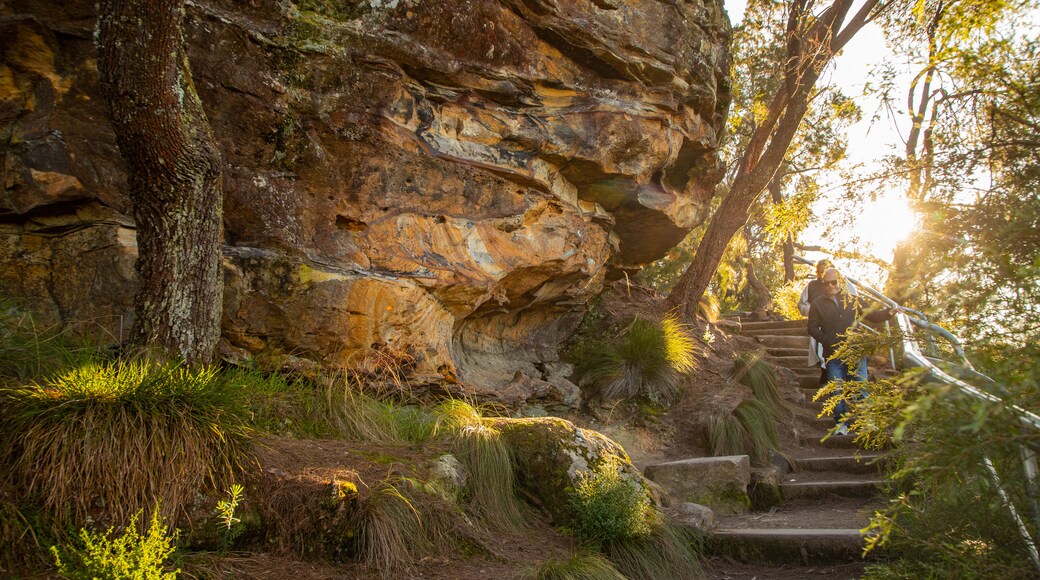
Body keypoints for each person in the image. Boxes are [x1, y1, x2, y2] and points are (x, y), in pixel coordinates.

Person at [807, 268, 897, 434]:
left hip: (855, 352)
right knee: (836, 390)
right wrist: (826, 339)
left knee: (861, 388)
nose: (830, 286)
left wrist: (889, 313)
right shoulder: (818, 303)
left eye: (834, 282)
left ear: (840, 281)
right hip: (833, 353)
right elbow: (812, 327)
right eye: (826, 283)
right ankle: (841, 425)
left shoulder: (853, 299)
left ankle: (868, 422)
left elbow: (873, 315)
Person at [798, 260, 857, 384]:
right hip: (820, 323)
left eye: (826, 270)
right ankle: (826, 374)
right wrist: (810, 310)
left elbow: (854, 300)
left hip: (840, 324)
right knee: (822, 351)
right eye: (821, 271)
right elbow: (802, 304)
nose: (830, 285)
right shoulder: (812, 285)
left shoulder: (843, 284)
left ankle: (844, 381)